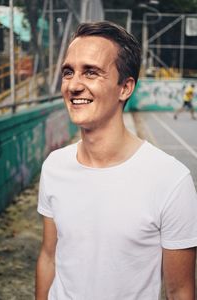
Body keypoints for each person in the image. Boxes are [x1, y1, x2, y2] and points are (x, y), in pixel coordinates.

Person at [36, 21, 197, 300]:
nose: (74, 85)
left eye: (91, 72)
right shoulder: (54, 166)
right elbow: (49, 257)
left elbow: (179, 290)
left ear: (125, 87)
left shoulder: (171, 180)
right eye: (68, 72)